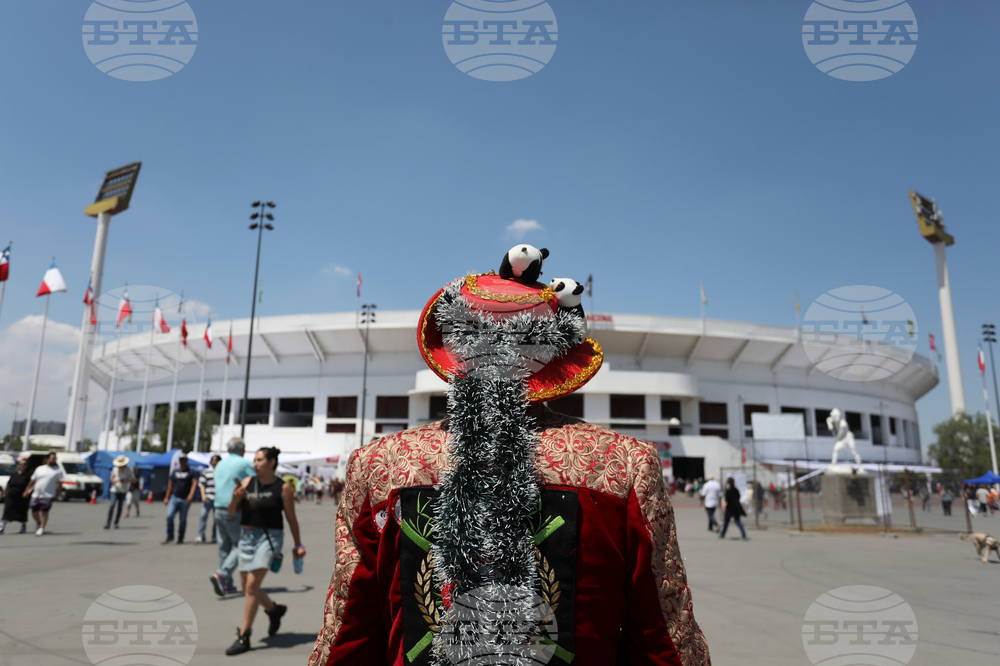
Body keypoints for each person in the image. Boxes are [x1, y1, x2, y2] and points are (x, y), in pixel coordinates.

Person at [308, 260, 709, 665]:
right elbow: (664, 632)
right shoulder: (622, 463)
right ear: (556, 353)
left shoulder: (380, 464)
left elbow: (348, 630)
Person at [225, 447, 305, 656]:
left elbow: (291, 518)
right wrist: (235, 498)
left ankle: (244, 636)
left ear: (272, 462)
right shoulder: (246, 482)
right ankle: (274, 610)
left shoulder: (283, 487)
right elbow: (232, 511)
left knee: (251, 586)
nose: (256, 464)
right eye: (254, 460)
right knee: (247, 588)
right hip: (246, 538)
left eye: (260, 460)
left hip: (270, 539)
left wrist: (298, 545)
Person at [210, 438, 256, 597]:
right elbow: (256, 480)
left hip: (218, 507)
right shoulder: (244, 463)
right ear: (241, 449)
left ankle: (226, 584)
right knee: (241, 544)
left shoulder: (220, 464)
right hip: (234, 507)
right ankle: (222, 574)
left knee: (224, 546)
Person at [23, 452, 63, 536]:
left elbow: (60, 485)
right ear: (47, 459)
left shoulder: (57, 471)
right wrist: (27, 490)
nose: (53, 460)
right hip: (36, 494)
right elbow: (32, 481)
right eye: (52, 458)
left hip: (48, 495)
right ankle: (38, 522)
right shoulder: (40, 469)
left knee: (44, 511)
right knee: (34, 511)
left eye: (54, 458)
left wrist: (57, 495)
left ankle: (41, 528)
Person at [163, 453, 198, 544]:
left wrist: (191, 495)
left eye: (184, 460)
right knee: (169, 516)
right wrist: (166, 497)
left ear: (186, 461)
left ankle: (180, 537)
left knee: (182, 519)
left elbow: (194, 484)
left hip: (185, 499)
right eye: (181, 460)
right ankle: (170, 535)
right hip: (174, 497)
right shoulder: (175, 471)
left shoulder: (191, 472)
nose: (182, 462)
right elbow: (170, 485)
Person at [0, 457, 32, 534]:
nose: (22, 466)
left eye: (24, 464)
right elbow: (8, 484)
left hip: (22, 497)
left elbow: (31, 485)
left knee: (22, 512)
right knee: (7, 510)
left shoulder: (28, 475)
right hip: (11, 495)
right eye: (20, 464)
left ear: (27, 466)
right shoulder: (14, 474)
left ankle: (23, 526)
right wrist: (4, 493)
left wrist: (27, 492)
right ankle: (2, 527)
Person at [196, 454, 220, 544]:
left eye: (216, 460)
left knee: (217, 519)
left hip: (218, 498)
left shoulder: (221, 472)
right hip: (208, 497)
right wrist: (203, 495)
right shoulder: (206, 471)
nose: (214, 462)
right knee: (203, 516)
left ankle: (214, 536)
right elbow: (202, 484)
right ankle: (201, 535)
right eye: (213, 460)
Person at [105, 455, 135, 529]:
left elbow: (133, 480)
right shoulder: (115, 469)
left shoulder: (128, 470)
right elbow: (111, 479)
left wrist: (126, 481)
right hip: (115, 489)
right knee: (112, 505)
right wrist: (116, 480)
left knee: (120, 507)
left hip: (123, 490)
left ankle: (116, 522)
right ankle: (108, 522)